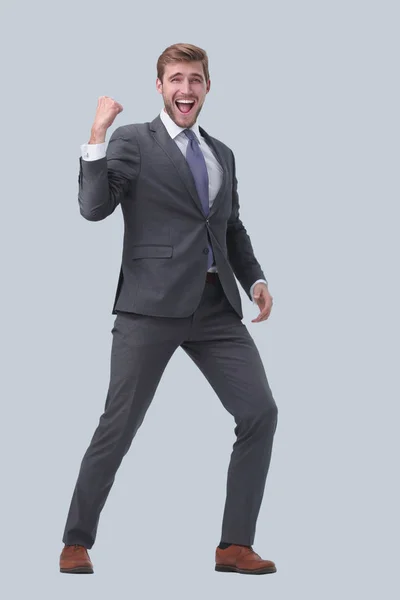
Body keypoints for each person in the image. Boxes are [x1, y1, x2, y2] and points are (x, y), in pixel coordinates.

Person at [60, 42, 278, 576]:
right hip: (149, 306)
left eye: (196, 79)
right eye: (177, 79)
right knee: (119, 424)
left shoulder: (221, 153)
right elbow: (93, 210)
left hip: (215, 306)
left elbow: (229, 226)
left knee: (259, 413)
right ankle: (76, 539)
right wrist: (96, 138)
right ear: (160, 86)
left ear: (207, 87)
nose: (187, 89)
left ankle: (234, 545)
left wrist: (254, 279)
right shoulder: (134, 140)